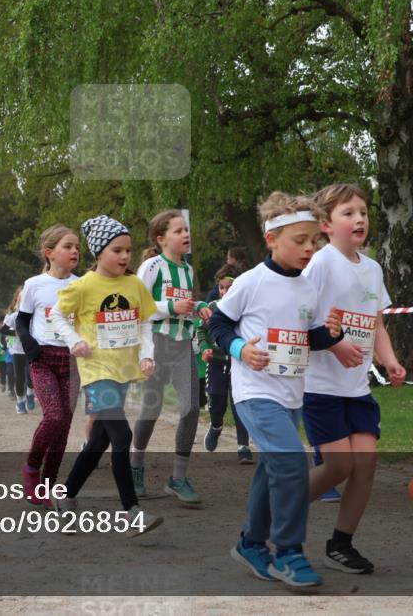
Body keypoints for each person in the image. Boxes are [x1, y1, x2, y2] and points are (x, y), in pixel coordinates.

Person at [209, 192, 343, 589]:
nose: (308, 248)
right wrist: (239, 349)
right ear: (272, 240)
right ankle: (289, 552)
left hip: (291, 395)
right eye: (299, 240)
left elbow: (310, 338)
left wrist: (331, 333)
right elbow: (217, 324)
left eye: (313, 241)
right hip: (253, 391)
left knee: (272, 470)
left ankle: (251, 543)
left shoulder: (307, 287)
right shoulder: (251, 281)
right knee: (291, 464)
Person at [300, 183, 406, 575]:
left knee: (366, 461)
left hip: (357, 387)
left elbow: (376, 323)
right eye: (349, 213)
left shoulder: (373, 268)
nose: (359, 218)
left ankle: (341, 543)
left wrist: (390, 361)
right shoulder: (321, 263)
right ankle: (276, 512)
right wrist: (333, 344)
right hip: (321, 386)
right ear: (326, 224)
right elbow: (303, 317)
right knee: (339, 465)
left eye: (363, 211)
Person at [49, 215, 163, 536]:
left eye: (128, 250)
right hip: (96, 371)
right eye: (117, 250)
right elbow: (57, 315)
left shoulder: (134, 285)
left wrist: (146, 355)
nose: (125, 256)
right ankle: (131, 511)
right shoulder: (84, 285)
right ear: (99, 252)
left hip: (124, 371)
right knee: (122, 437)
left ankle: (66, 496)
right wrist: (74, 341)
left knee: (99, 440)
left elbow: (144, 324)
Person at [131, 210, 212, 506]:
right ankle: (135, 468)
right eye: (179, 231)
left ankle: (178, 477)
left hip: (182, 347)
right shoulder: (151, 266)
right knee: (150, 410)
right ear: (161, 239)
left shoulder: (188, 270)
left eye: (187, 230)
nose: (186, 235)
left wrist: (199, 305)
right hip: (156, 345)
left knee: (191, 409)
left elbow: (184, 304)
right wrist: (169, 306)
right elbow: (137, 304)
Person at [15, 225, 81, 507]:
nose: (75, 251)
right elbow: (21, 320)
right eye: (68, 246)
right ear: (50, 253)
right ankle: (32, 468)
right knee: (53, 416)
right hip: (44, 360)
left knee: (64, 426)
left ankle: (48, 484)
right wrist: (31, 348)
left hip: (73, 362)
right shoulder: (34, 284)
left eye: (77, 246)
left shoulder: (82, 285)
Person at [198, 263, 252, 463]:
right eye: (222, 288)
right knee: (217, 402)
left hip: (238, 362)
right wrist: (205, 348)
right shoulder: (213, 308)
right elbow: (201, 330)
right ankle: (216, 426)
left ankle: (243, 446)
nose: (225, 292)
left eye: (230, 288)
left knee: (239, 403)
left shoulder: (245, 309)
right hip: (216, 362)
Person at [2, 287, 33, 413]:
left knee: (32, 375)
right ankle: (20, 402)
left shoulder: (35, 316)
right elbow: (3, 329)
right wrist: (15, 333)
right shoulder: (14, 316)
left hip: (31, 349)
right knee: (19, 376)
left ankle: (30, 393)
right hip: (17, 350)